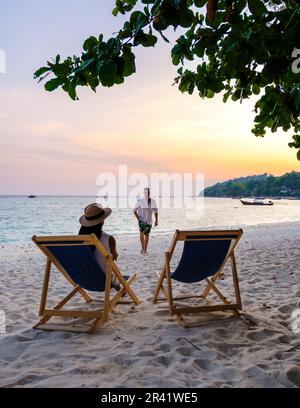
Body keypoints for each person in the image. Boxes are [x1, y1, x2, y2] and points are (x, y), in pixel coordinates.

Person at [78, 203, 120, 289]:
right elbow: (114, 257)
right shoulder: (109, 239)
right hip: (104, 281)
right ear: (102, 221)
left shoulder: (77, 241)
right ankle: (121, 289)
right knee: (111, 263)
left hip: (81, 279)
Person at [134, 187, 158, 254]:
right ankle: (142, 248)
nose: (147, 193)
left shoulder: (153, 201)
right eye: (146, 192)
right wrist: (138, 219)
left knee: (147, 234)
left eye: (148, 192)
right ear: (144, 193)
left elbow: (156, 211)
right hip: (141, 220)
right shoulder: (139, 201)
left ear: (149, 193)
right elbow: (134, 210)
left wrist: (156, 220)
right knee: (141, 233)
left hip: (149, 221)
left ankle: (145, 249)